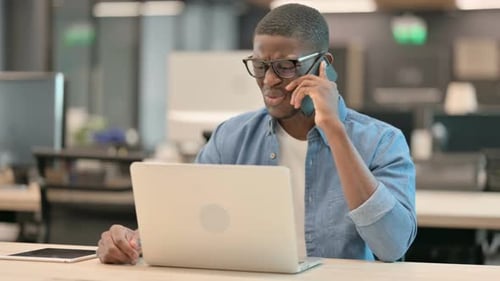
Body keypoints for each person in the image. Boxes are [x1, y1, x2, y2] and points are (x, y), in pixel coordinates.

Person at [96, 3, 417, 264]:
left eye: (285, 66)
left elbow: (391, 246)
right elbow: (184, 226)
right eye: (261, 65)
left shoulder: (381, 141)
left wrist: (334, 130)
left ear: (323, 64)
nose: (269, 80)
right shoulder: (231, 138)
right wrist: (130, 241)